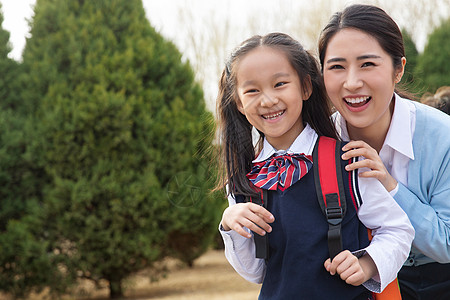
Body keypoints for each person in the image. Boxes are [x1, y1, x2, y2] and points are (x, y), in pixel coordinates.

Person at [216, 32, 414, 299]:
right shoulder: (243, 180)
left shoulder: (347, 161)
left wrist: (366, 265)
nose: (268, 100)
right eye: (252, 90)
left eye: (280, 84)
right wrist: (230, 223)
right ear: (239, 102)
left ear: (306, 87)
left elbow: (398, 229)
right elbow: (256, 272)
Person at [318, 4, 450, 300]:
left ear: (398, 69)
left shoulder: (443, 136)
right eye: (337, 67)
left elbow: (447, 242)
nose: (352, 82)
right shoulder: (319, 144)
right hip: (358, 282)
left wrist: (389, 185)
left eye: (367, 64)